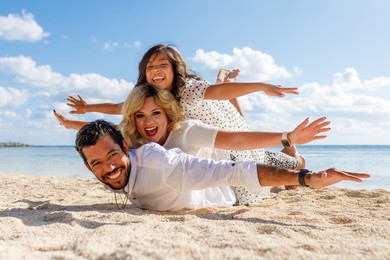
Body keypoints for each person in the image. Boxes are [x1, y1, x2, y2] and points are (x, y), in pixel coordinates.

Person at [56, 44, 303, 204]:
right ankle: (288, 156)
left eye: (163, 65)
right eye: (150, 67)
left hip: (226, 132)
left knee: (251, 192)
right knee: (247, 159)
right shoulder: (147, 97)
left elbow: (220, 94)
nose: (156, 70)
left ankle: (296, 160)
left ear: (175, 69)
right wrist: (86, 110)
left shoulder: (188, 89)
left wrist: (260, 86)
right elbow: (118, 113)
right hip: (212, 138)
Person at [75, 119, 370, 212]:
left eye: (113, 156)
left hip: (237, 187)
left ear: (126, 147)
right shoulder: (114, 167)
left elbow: (233, 172)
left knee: (286, 169)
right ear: (89, 167)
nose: (109, 168)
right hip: (228, 169)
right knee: (281, 174)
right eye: (98, 163)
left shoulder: (161, 165)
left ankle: (296, 156)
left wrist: (307, 178)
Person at [119, 84, 330, 199]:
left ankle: (296, 160)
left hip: (233, 160)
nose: (148, 122)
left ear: (167, 114)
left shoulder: (187, 131)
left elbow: (237, 140)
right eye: (139, 115)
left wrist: (287, 136)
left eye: (155, 113)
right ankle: (289, 158)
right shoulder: (135, 139)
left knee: (271, 167)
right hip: (222, 174)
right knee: (271, 174)